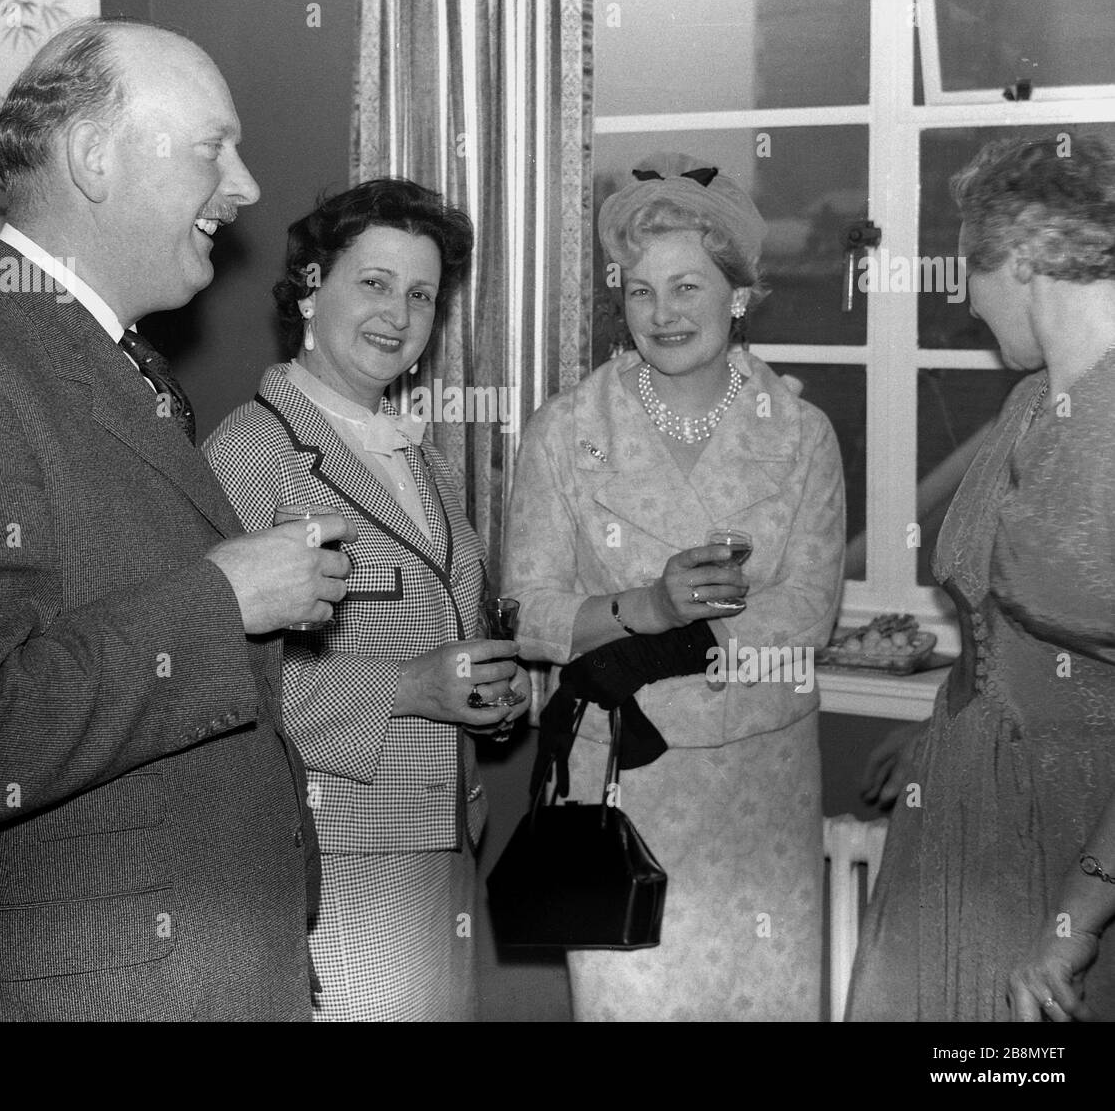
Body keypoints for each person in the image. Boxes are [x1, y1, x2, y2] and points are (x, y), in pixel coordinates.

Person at [0, 17, 356, 1021]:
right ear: (92, 156)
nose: (242, 187)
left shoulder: (94, 354)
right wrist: (223, 596)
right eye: (212, 148)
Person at [503, 160, 845, 1021]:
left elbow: (807, 609)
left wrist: (662, 653)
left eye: (688, 286)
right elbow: (526, 612)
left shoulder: (802, 435)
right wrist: (647, 609)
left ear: (739, 297)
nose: (664, 314)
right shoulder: (566, 430)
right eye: (643, 291)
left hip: (757, 780)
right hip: (623, 779)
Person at [204, 178, 527, 1021]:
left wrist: (489, 693)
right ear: (311, 289)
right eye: (374, 283)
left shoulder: (408, 455)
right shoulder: (253, 450)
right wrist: (408, 687)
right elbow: (211, 681)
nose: (399, 313)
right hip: (329, 847)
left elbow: (442, 631)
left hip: (443, 839)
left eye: (421, 295)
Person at [848, 135, 1115, 1022]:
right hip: (967, 805)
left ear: (1029, 256)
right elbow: (1006, 622)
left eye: (970, 264)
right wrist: (949, 721)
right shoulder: (1028, 403)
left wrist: (1077, 922)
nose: (961, 294)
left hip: (1082, 831)